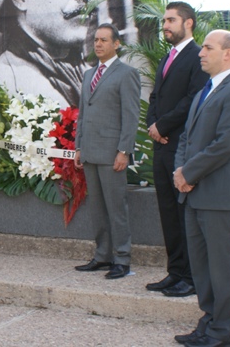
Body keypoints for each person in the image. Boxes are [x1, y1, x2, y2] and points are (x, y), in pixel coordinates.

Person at [173, 30, 230, 347]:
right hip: (193, 193)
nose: (200, 52)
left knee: (222, 268)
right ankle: (208, 323)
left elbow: (226, 146)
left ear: (228, 54)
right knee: (202, 267)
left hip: (220, 194)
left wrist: (189, 172)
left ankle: (223, 333)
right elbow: (186, 139)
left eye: (208, 47)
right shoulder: (204, 92)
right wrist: (179, 172)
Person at [146, 2, 209, 298]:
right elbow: (155, 96)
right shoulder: (165, 58)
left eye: (171, 20)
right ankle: (175, 272)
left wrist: (163, 126)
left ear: (189, 23)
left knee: (184, 215)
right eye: (164, 21)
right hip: (161, 146)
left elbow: (192, 99)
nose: (166, 26)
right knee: (167, 213)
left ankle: (192, 278)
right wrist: (152, 125)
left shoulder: (199, 57)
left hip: (181, 147)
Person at [73, 23, 141, 279]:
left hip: (112, 154)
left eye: (104, 40)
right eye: (96, 40)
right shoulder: (89, 74)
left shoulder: (126, 74)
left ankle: (122, 259)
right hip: (90, 151)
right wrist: (79, 146)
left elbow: (130, 116)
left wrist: (124, 151)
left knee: (116, 208)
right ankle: (102, 256)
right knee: (98, 209)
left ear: (116, 44)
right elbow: (83, 114)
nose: (98, 44)